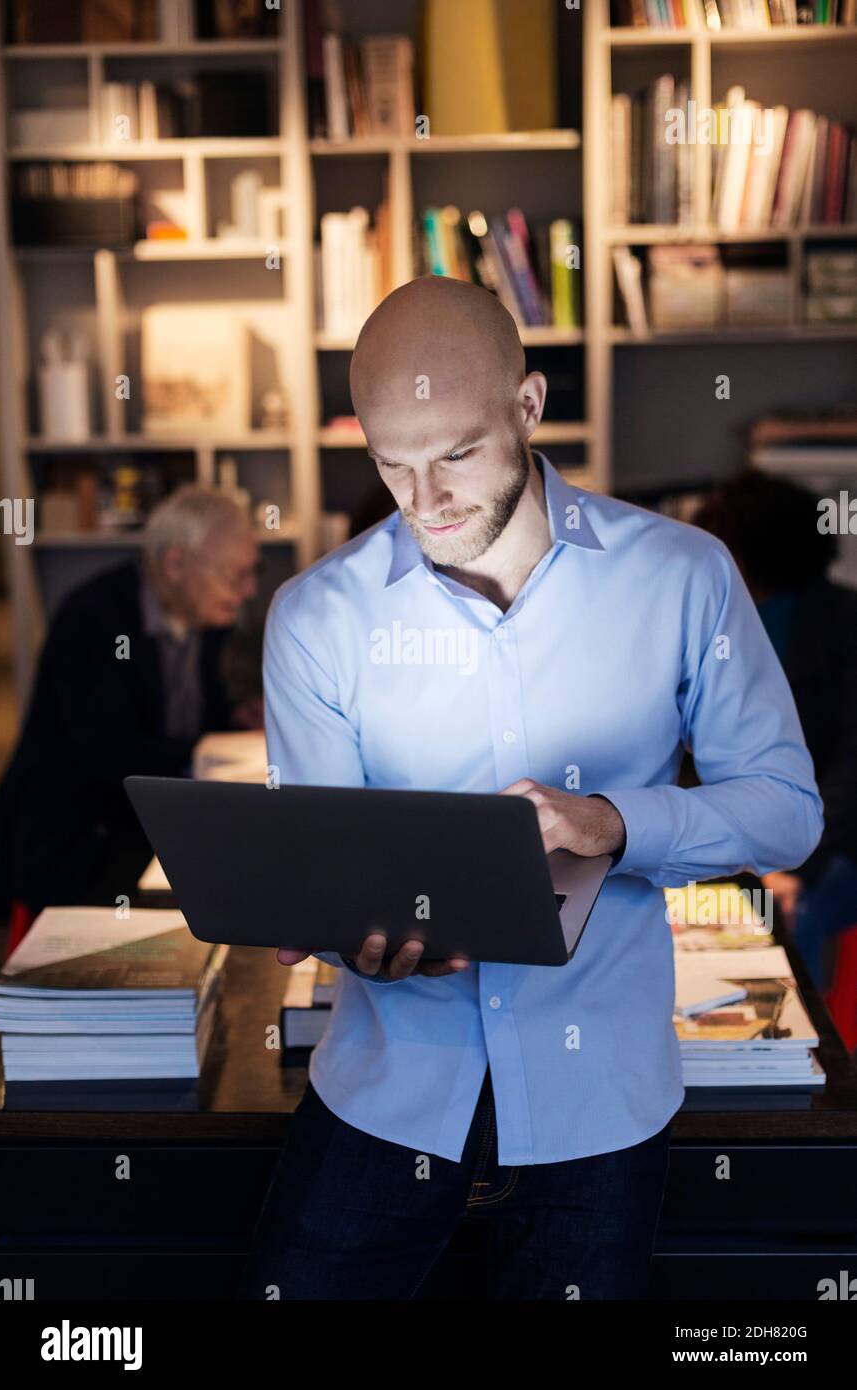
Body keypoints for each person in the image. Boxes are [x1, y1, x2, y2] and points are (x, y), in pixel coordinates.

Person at [239, 276, 823, 1302]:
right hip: (385, 1095)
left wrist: (609, 823)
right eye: (391, 462)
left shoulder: (682, 576)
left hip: (597, 1105)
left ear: (527, 405)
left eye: (456, 453)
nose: (424, 501)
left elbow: (784, 803)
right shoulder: (315, 616)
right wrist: (343, 928)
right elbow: (319, 859)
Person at [0, 485, 259, 916]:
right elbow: (109, 751)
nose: (248, 591)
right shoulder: (94, 618)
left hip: (141, 825)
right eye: (235, 575)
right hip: (75, 842)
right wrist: (210, 748)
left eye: (252, 573)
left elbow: (187, 715)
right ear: (175, 563)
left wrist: (232, 721)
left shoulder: (205, 615)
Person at [694, 470, 857, 989]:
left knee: (791, 908)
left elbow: (852, 769)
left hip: (832, 841)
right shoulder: (714, 620)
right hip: (744, 832)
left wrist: (797, 863)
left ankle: (800, 1055)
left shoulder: (843, 623)